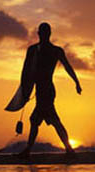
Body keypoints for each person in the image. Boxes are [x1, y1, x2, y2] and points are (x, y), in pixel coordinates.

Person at [18, 22, 82, 158]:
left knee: (47, 120)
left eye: (45, 33)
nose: (43, 35)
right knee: (39, 120)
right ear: (39, 34)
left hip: (47, 90)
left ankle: (68, 149)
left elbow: (67, 67)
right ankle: (68, 149)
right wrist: (24, 90)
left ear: (48, 34)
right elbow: (26, 70)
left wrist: (76, 82)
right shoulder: (33, 50)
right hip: (39, 90)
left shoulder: (55, 51)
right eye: (42, 33)